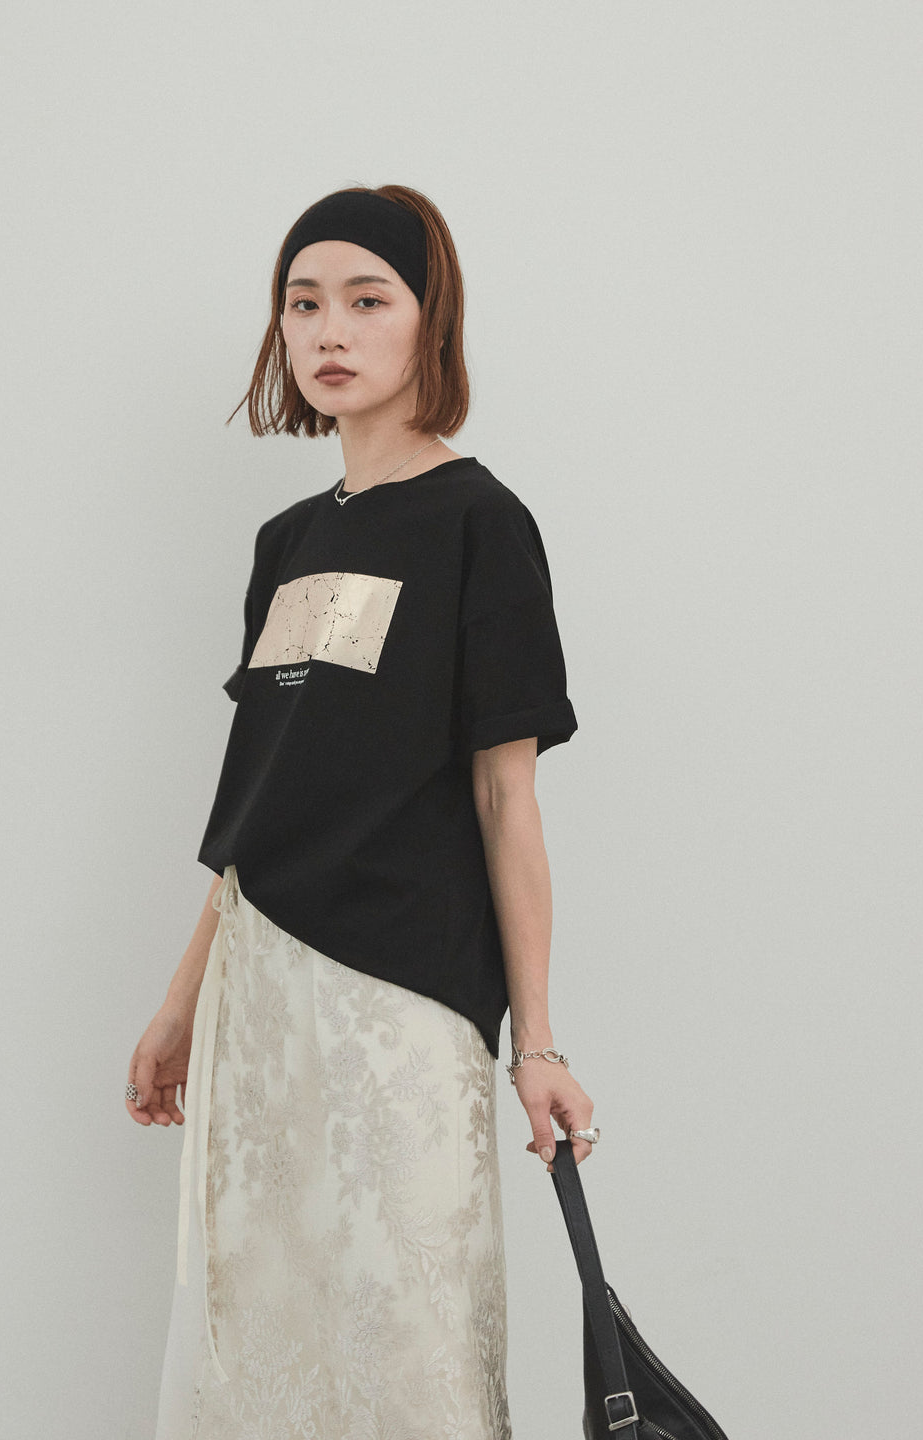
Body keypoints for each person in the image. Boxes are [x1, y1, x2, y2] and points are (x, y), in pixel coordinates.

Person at [127, 183, 597, 1440]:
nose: (329, 330)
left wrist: (537, 1043)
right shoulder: (285, 541)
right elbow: (263, 797)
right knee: (256, 1328)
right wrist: (182, 1000)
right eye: (302, 303)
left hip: (401, 1000)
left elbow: (506, 796)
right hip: (260, 996)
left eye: (367, 300)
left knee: (406, 1328)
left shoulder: (481, 523)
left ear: (429, 320)